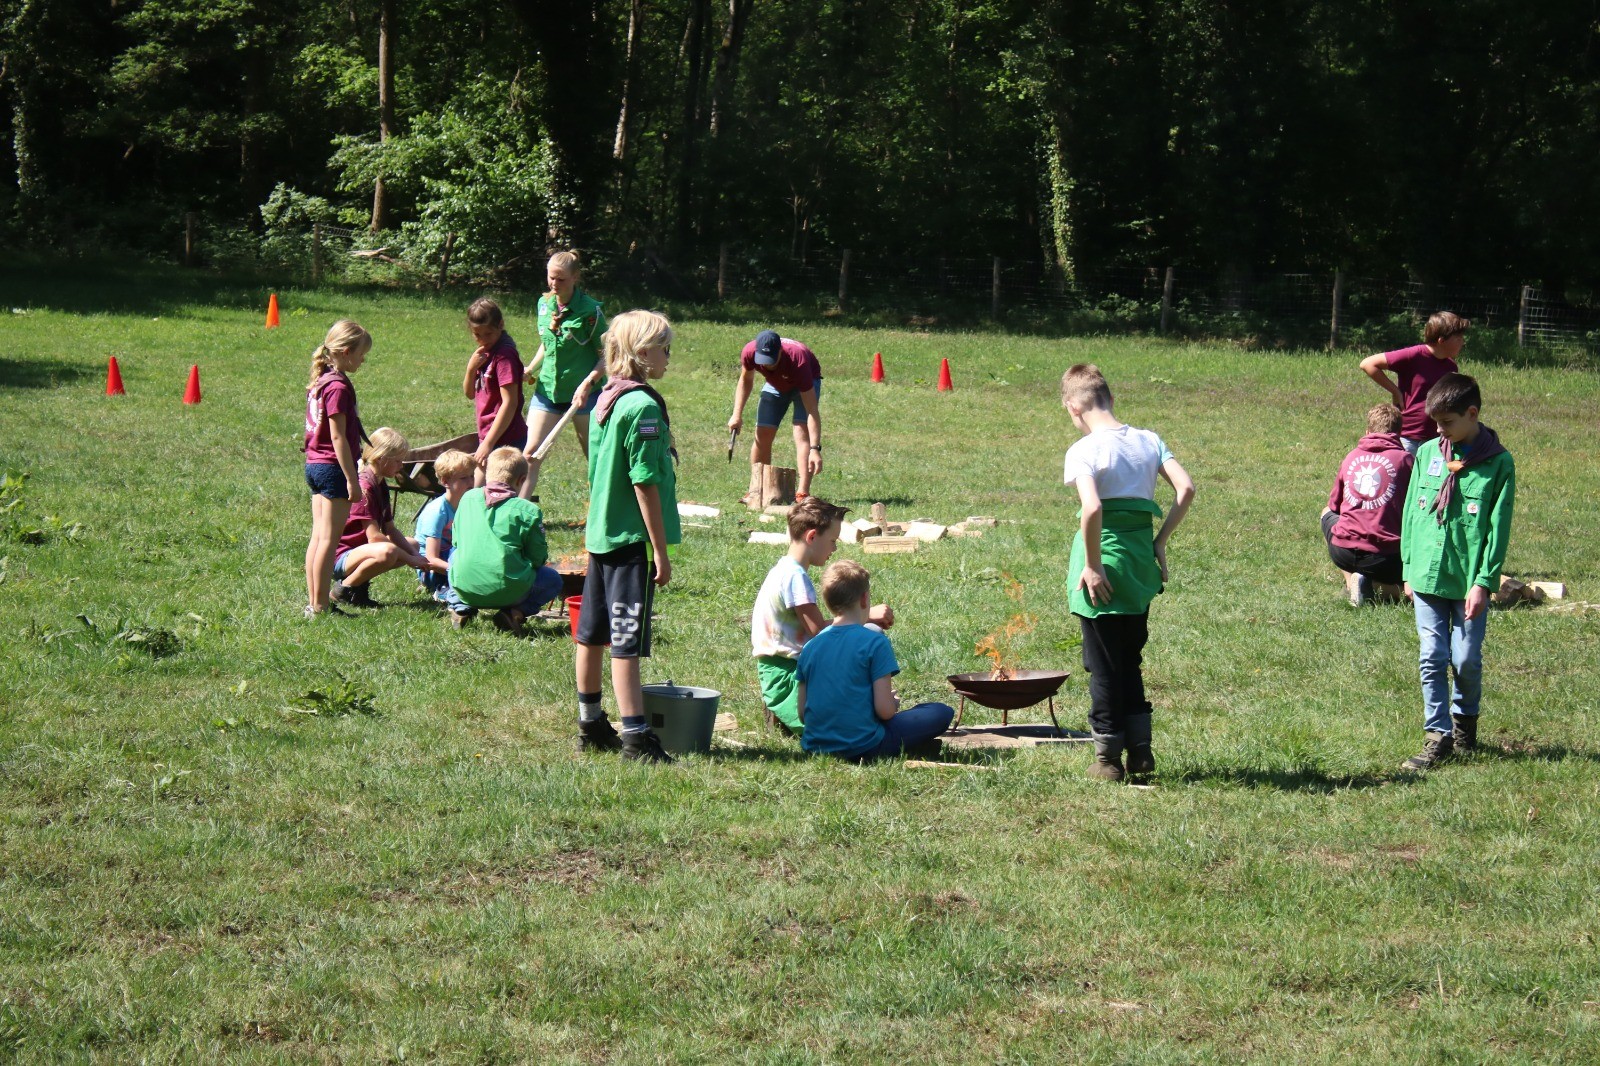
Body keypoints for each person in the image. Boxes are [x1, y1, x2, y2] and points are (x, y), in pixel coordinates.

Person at [1061, 363, 1196, 783]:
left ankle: (1106, 760)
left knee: (1102, 665)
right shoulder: (1149, 440)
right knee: (1129, 660)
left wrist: (1093, 565)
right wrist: (1160, 541)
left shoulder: (1084, 449)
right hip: (1139, 560)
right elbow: (1186, 488)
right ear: (1110, 399)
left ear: (1074, 407)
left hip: (1104, 561)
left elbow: (1093, 508)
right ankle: (1140, 752)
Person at [573, 310, 679, 763]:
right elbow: (644, 483)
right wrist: (659, 549)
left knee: (590, 634)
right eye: (664, 348)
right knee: (625, 639)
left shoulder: (606, 397)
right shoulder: (642, 406)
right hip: (627, 539)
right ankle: (636, 737)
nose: (669, 357)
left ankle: (590, 722)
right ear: (641, 352)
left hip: (600, 534)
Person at [1398, 373, 1515, 771]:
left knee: (1464, 659)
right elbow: (1413, 512)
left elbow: (1497, 529)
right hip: (1427, 576)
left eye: (1447, 421)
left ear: (1472, 413)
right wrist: (1408, 568)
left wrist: (1484, 582)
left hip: (1467, 582)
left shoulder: (1498, 463)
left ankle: (1465, 726)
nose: (1439, 430)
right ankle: (1437, 736)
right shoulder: (1430, 452)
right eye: (1436, 422)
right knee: (1432, 655)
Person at [751, 496, 894, 737]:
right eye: (832, 541)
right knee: (871, 636)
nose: (834, 549)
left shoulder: (785, 569)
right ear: (812, 536)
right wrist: (867, 615)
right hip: (788, 677)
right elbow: (817, 630)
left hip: (790, 671)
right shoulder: (796, 577)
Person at [796, 560, 954, 761]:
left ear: (828, 603)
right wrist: (892, 703)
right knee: (941, 712)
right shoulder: (875, 642)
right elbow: (885, 711)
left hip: (816, 746)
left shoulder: (809, 648)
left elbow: (802, 714)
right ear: (864, 599)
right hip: (864, 745)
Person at [444, 447, 564, 632]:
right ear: (522, 480)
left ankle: (460, 607)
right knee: (553, 580)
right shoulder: (527, 511)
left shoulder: (468, 498)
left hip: (466, 587)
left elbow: (457, 541)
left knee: (455, 555)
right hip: (510, 590)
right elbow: (537, 557)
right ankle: (513, 613)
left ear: (486, 472)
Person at [303, 319, 372, 618]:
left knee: (319, 538)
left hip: (314, 465)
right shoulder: (338, 387)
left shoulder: (320, 380)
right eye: (361, 354)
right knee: (329, 542)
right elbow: (338, 436)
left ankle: (315, 603)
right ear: (345, 352)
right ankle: (320, 605)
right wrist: (351, 479)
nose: (363, 360)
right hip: (332, 468)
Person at [524, 251, 607, 497]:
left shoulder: (591, 312)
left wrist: (588, 383)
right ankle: (517, 511)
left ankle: (601, 516)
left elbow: (607, 355)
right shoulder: (543, 304)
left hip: (584, 396)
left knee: (595, 458)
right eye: (551, 278)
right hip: (548, 390)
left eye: (561, 279)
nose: (554, 284)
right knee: (530, 454)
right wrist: (531, 368)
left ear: (575, 277)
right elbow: (548, 343)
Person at [1321, 403, 1414, 606]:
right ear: (1399, 434)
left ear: (1367, 431)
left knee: (1325, 513)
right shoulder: (1407, 460)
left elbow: (1334, 506)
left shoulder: (1351, 457)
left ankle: (1351, 581)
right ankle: (1373, 587)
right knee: (1415, 591)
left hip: (1343, 551)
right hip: (1386, 559)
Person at [331, 427, 430, 607]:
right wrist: (409, 560)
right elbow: (375, 537)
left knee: (413, 544)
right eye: (398, 461)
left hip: (361, 551)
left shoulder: (380, 483)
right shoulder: (365, 487)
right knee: (388, 552)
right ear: (381, 458)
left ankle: (359, 587)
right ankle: (344, 589)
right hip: (340, 556)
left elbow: (390, 529)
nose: (401, 466)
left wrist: (415, 554)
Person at [727, 329, 823, 505]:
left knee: (801, 432)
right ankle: (756, 489)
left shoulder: (797, 360)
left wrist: (815, 449)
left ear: (780, 351)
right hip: (775, 384)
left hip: (805, 382)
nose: (767, 366)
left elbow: (811, 412)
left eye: (771, 360)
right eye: (763, 361)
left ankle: (802, 493)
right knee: (762, 432)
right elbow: (745, 380)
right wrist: (736, 414)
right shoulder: (749, 352)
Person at [1358, 311, 1470, 456]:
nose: (1462, 342)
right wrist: (1395, 391)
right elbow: (1367, 364)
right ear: (1442, 340)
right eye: (1458, 338)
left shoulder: (1451, 366)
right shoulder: (1414, 355)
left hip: (1437, 437)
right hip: (1408, 436)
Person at [462, 298, 526, 486]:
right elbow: (469, 393)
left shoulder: (504, 356)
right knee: (479, 494)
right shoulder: (484, 353)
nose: (483, 340)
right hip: (488, 434)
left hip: (506, 440)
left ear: (501, 325)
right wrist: (470, 369)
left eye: (488, 333)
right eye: (477, 334)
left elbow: (510, 402)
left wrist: (488, 443)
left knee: (490, 494)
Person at [413, 449, 475, 603]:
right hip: (434, 570)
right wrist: (459, 571)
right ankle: (441, 590)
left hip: (455, 560)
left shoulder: (468, 504)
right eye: (463, 478)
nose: (471, 482)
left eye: (472, 476)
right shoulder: (437, 511)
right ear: (445, 481)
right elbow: (430, 558)